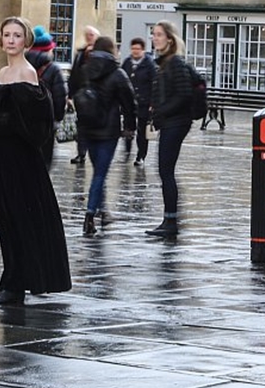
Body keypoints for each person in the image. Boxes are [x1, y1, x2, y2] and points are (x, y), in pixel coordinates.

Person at [0, 16, 71, 305]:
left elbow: (28, 125)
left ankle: (15, 285)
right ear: (1, 39)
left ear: (26, 41)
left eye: (17, 35)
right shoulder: (2, 72)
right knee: (6, 218)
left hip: (19, 157)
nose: (11, 40)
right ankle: (13, 281)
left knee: (19, 217)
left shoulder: (28, 75)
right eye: (7, 35)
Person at [78, 35, 135, 237]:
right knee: (100, 174)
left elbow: (74, 92)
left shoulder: (85, 69)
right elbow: (130, 103)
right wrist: (130, 127)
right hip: (108, 130)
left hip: (87, 128)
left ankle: (103, 212)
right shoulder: (117, 73)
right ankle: (90, 215)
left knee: (97, 172)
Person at [145, 20, 194, 238]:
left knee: (166, 171)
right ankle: (169, 219)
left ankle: (171, 221)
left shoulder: (175, 63)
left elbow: (184, 95)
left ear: (170, 39)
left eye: (158, 35)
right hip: (170, 122)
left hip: (176, 123)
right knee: (165, 171)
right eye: (153, 34)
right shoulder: (164, 63)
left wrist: (163, 110)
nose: (154, 38)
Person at [27, 25, 68, 164]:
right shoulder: (53, 69)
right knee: (44, 160)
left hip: (23, 120)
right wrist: (58, 119)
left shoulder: (20, 65)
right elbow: (60, 97)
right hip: (46, 121)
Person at [121, 37, 157, 166]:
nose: (135, 51)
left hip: (144, 101)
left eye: (138, 49)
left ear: (143, 50)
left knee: (142, 130)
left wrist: (153, 102)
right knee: (128, 128)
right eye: (133, 49)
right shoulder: (126, 63)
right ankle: (127, 152)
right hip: (129, 102)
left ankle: (141, 155)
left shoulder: (149, 64)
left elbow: (155, 84)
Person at [67, 25, 99, 165]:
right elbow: (74, 75)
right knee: (81, 125)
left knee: (94, 125)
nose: (89, 37)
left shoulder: (101, 53)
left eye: (91, 34)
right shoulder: (80, 54)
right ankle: (81, 153)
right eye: (87, 34)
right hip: (81, 94)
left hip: (96, 96)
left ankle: (94, 151)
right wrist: (70, 94)